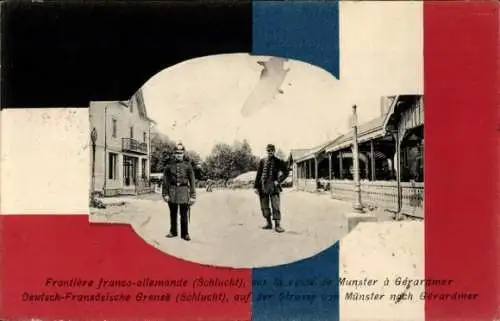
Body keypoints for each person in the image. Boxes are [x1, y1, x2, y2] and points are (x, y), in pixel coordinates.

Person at [162, 142, 196, 241]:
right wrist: (165, 194)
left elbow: (192, 181)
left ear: (183, 154)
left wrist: (193, 196)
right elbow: (165, 181)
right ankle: (173, 232)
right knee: (173, 214)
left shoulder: (188, 166)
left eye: (180, 153)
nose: (178, 155)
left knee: (184, 214)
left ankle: (185, 234)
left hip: (184, 191)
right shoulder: (168, 166)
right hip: (172, 192)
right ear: (174, 154)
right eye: (177, 153)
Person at [254, 143, 290, 233]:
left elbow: (286, 172)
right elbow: (258, 175)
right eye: (268, 151)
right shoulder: (262, 161)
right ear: (267, 151)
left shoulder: (278, 161)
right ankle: (269, 224)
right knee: (264, 206)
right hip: (263, 187)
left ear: (274, 151)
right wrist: (256, 187)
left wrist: (278, 181)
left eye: (271, 150)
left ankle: (277, 225)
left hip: (274, 187)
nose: (270, 152)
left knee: (276, 206)